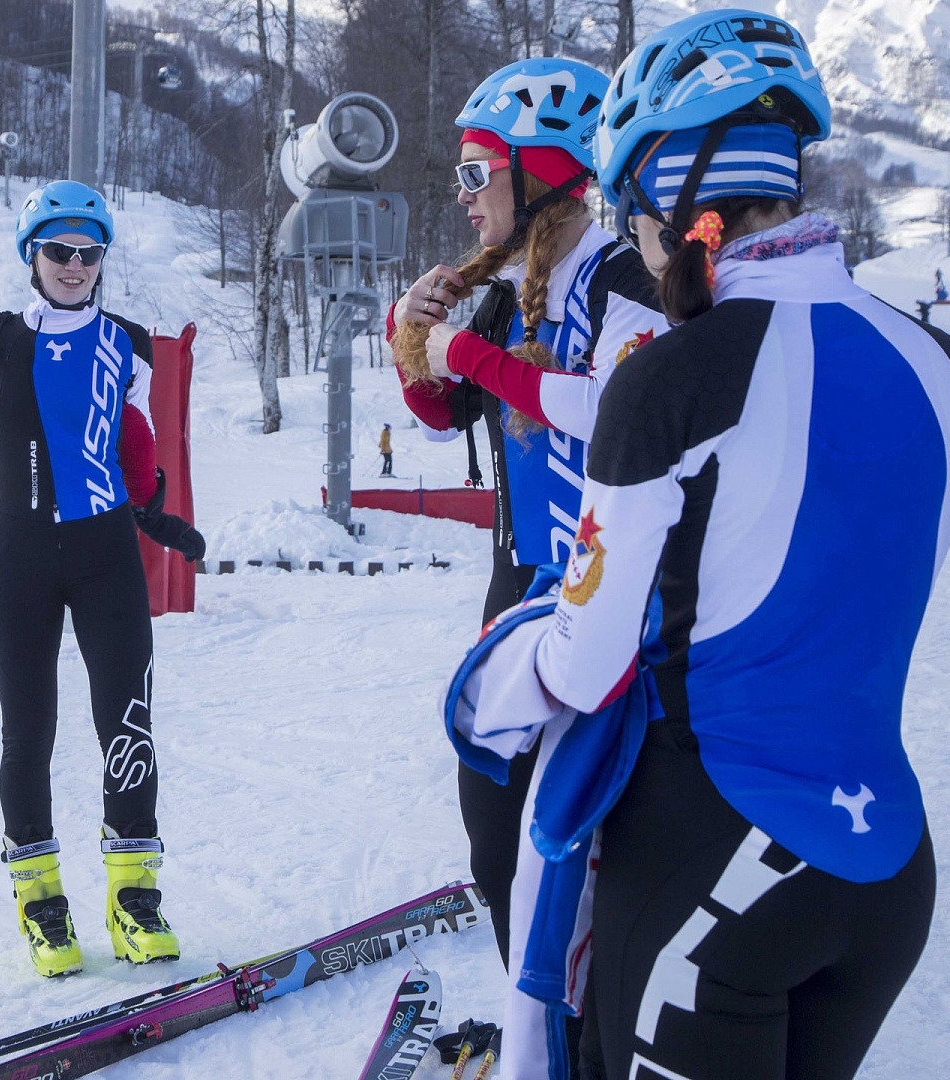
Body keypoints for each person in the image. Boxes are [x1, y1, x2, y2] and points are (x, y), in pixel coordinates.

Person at [557, 11, 950, 1076]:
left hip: (712, 864)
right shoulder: (935, 361)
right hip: (884, 869)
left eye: (629, 212)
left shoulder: (671, 376)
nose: (634, 245)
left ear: (671, 198)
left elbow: (583, 661)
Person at [386, 55, 669, 972]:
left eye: (476, 173)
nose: (465, 197)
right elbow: (440, 423)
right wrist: (412, 342)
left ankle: (594, 1034)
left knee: (608, 830)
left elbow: (608, 409)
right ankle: (537, 1021)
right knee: (495, 824)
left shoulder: (625, 278)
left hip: (620, 592)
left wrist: (464, 350)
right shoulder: (511, 291)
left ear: (540, 168)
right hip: (522, 589)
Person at [0, 179, 205, 978]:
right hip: (16, 555)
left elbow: (138, 430)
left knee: (129, 720)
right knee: (29, 731)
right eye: (59, 251)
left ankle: (133, 898)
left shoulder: (128, 341)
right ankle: (41, 903)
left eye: (89, 252)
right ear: (32, 257)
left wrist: (146, 499)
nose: (74, 265)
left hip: (106, 552)